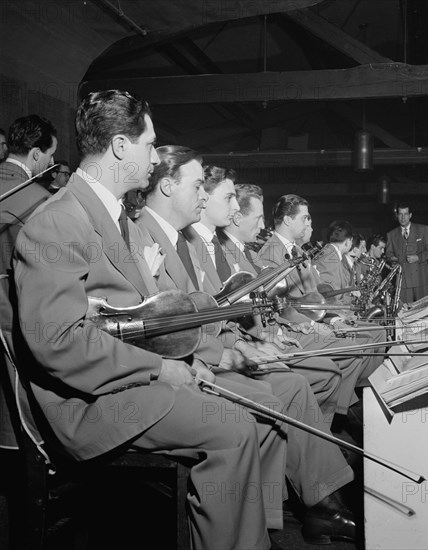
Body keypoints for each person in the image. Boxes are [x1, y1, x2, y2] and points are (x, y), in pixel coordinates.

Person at [13, 90, 287, 550]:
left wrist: (187, 361)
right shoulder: (59, 220)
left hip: (123, 381)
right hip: (88, 403)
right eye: (148, 144)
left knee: (247, 413)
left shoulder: (114, 217)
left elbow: (138, 318)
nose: (153, 155)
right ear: (120, 146)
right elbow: (58, 341)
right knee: (233, 427)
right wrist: (161, 369)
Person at [137, 147, 359, 545]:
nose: (209, 199)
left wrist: (245, 342)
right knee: (282, 392)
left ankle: (308, 498)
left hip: (216, 346)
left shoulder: (191, 242)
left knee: (295, 383)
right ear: (169, 187)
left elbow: (222, 312)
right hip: (186, 360)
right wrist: (233, 350)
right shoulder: (162, 237)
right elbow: (171, 322)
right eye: (207, 190)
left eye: (212, 192)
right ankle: (295, 505)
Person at [257, 194, 384, 417]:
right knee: (353, 350)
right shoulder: (270, 253)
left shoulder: (298, 252)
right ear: (288, 220)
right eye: (305, 218)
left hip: (308, 323)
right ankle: (342, 415)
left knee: (361, 344)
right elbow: (279, 306)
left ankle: (345, 409)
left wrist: (333, 318)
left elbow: (315, 296)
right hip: (291, 329)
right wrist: (313, 325)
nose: (309, 224)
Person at [0, 114, 57, 449]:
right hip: (11, 310)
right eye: (49, 157)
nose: (50, 164)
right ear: (35, 154)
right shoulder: (38, 199)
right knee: (17, 400)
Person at [385, 202, 428, 303]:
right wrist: (392, 259)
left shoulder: (423, 229)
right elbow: (388, 254)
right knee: (404, 312)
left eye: (406, 214)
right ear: (397, 215)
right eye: (400, 214)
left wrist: (418, 257)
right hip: (403, 281)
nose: (403, 217)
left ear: (410, 215)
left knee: (424, 310)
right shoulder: (391, 235)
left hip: (421, 278)